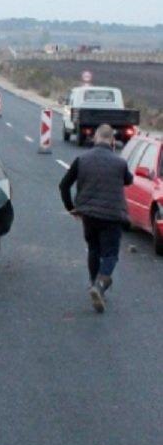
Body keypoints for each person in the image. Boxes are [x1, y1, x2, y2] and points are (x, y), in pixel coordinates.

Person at [59, 124, 133, 313]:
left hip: (89, 215)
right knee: (110, 254)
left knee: (93, 248)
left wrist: (71, 208)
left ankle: (94, 283)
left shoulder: (82, 159)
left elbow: (64, 185)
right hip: (112, 216)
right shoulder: (120, 163)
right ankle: (99, 286)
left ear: (95, 138)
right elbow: (129, 180)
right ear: (112, 141)